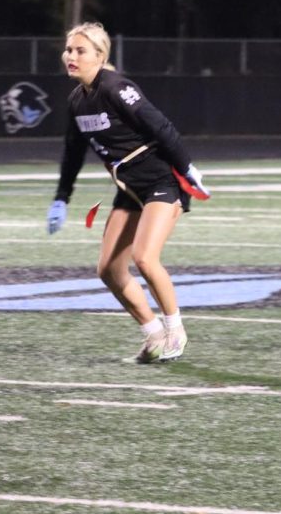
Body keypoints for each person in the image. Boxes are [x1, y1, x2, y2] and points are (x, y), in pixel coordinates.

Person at [46, 21, 210, 363]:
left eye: (80, 51)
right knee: (108, 270)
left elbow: (160, 125)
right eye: (69, 50)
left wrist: (187, 167)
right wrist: (62, 197)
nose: (71, 56)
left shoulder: (116, 87)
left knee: (145, 259)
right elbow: (73, 152)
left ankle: (175, 331)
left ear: (100, 55)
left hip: (161, 180)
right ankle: (152, 335)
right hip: (129, 188)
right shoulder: (77, 100)